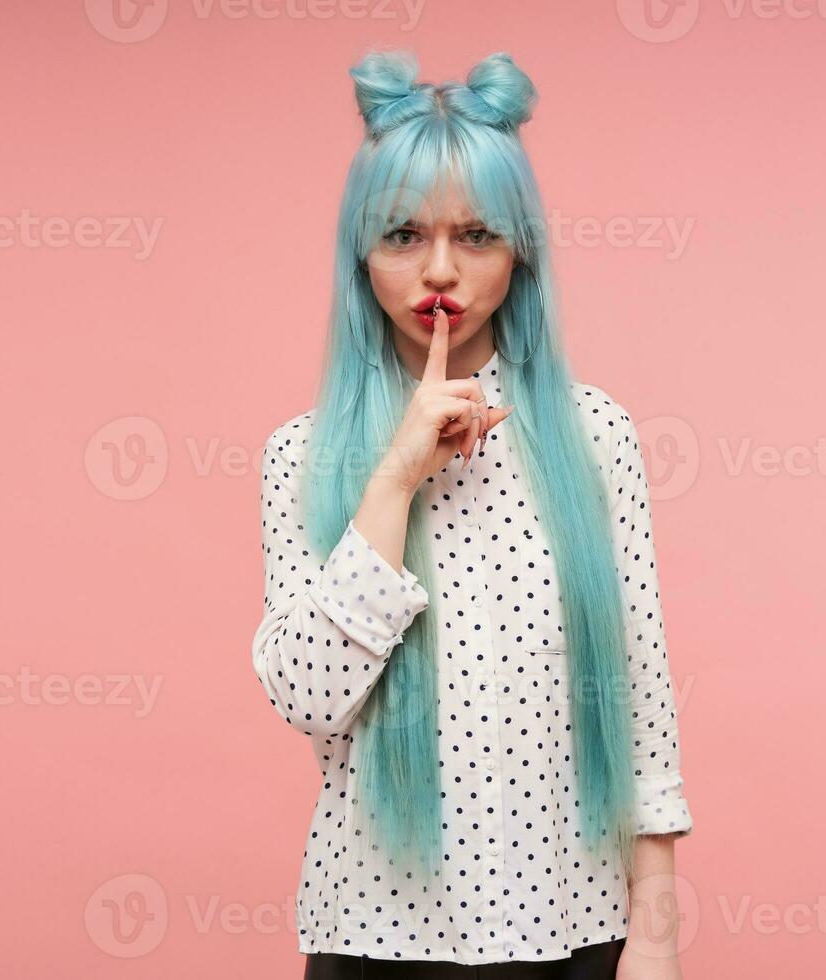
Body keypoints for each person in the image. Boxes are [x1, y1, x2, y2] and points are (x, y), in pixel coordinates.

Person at [251, 48, 694, 980]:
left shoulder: (593, 438)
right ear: (360, 254)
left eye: (477, 235)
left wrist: (654, 943)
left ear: (520, 249)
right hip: (375, 933)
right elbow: (308, 700)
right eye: (404, 235)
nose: (440, 270)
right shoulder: (305, 454)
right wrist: (392, 481)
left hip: (573, 927)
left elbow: (642, 697)